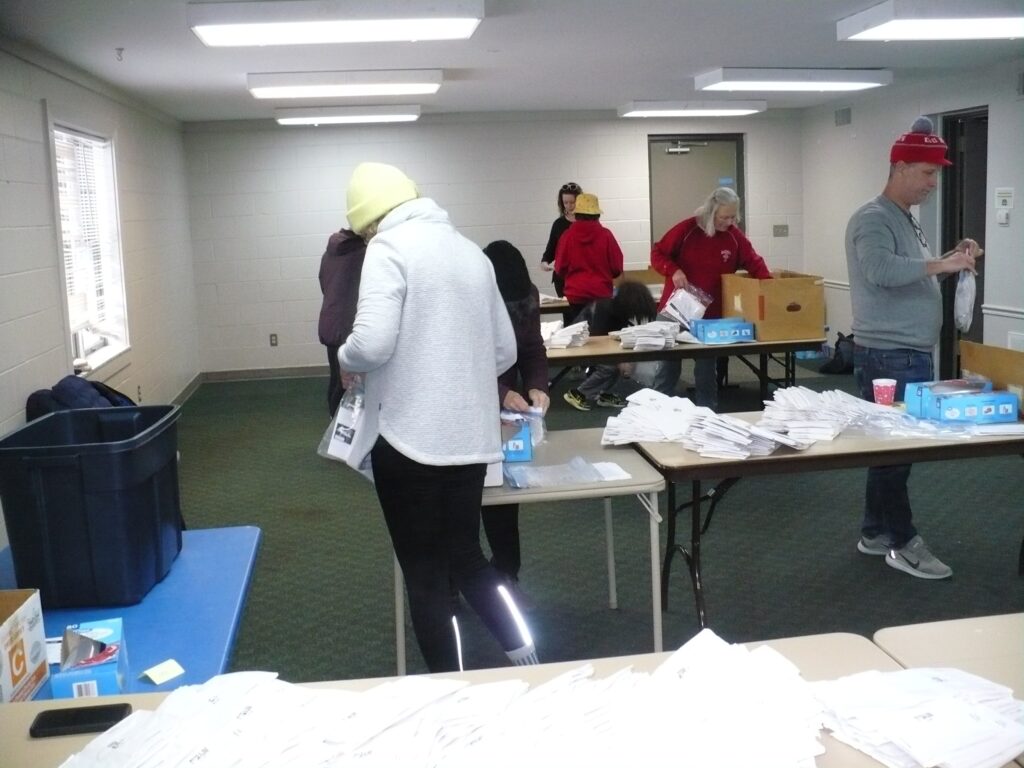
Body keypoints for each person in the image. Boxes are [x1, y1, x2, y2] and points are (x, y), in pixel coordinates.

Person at [337, 162, 538, 671]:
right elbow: (504, 350)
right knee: (468, 558)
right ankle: (527, 656)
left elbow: (371, 343)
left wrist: (346, 356)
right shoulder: (470, 252)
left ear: (370, 219)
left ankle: (447, 689)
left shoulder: (389, 248)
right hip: (470, 438)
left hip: (407, 440)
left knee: (425, 576)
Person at [846, 116, 980, 580]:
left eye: (936, 174)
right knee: (896, 453)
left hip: (905, 353)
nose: (933, 183)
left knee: (889, 451)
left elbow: (909, 268)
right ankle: (903, 543)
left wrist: (949, 258)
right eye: (927, 172)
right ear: (900, 167)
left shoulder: (903, 218)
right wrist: (941, 265)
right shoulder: (873, 218)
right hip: (889, 357)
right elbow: (881, 270)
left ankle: (875, 532)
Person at [650, 187, 772, 409]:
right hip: (677, 307)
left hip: (710, 314)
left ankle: (707, 413)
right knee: (668, 366)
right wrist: (673, 270)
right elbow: (658, 253)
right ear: (711, 212)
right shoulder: (687, 229)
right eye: (724, 217)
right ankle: (658, 409)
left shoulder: (734, 236)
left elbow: (754, 262)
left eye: (733, 217)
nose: (729, 222)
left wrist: (771, 287)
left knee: (706, 369)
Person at [480, 240, 550, 605]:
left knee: (504, 491)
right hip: (463, 408)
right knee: (462, 500)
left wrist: (537, 386)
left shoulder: (527, 295)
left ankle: (507, 572)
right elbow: (457, 365)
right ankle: (452, 584)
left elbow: (532, 348)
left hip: (506, 415)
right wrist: (500, 392)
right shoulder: (468, 302)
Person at [563, 281, 658, 411]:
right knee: (608, 367)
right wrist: (620, 360)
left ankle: (602, 393)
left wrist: (624, 359)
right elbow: (598, 338)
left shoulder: (620, 310)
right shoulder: (603, 308)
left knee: (615, 366)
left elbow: (617, 336)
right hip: (580, 343)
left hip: (594, 343)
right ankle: (578, 393)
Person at [317, 228, 366, 416]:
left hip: (330, 322)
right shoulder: (364, 254)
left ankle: (334, 419)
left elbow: (324, 284)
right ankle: (342, 425)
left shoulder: (328, 254)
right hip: (350, 326)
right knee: (349, 383)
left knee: (336, 379)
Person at [554, 192, 623, 322]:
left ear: (576, 214)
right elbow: (617, 268)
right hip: (601, 295)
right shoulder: (606, 235)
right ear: (597, 215)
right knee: (601, 332)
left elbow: (559, 268)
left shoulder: (567, 236)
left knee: (578, 332)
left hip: (575, 296)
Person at [539, 182, 581, 298]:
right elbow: (551, 250)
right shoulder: (558, 224)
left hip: (582, 276)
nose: (569, 206)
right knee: (567, 308)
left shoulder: (587, 223)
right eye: (565, 203)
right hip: (563, 279)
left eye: (572, 202)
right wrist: (544, 262)